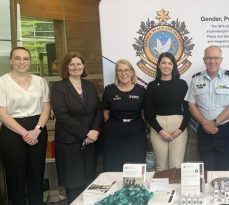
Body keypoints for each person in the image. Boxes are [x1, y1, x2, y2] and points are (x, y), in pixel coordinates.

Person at [0, 47, 50, 205]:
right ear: (11, 60)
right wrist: (25, 133)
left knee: (36, 175)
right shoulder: (2, 82)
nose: (22, 62)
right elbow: (2, 113)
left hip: (38, 129)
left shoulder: (40, 81)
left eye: (26, 58)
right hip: (12, 131)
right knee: (16, 178)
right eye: (17, 58)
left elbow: (46, 108)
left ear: (30, 60)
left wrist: (36, 131)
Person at [51, 51, 102, 203]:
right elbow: (62, 115)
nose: (75, 67)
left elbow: (98, 111)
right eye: (72, 64)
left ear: (83, 66)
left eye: (79, 64)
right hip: (69, 144)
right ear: (67, 67)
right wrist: (86, 133)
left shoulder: (89, 86)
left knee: (89, 182)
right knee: (73, 185)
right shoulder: (58, 88)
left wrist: (95, 130)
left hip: (90, 143)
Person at [185, 45, 229, 171]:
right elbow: (191, 105)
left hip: (225, 131)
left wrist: (215, 122)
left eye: (216, 58)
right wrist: (205, 123)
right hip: (203, 129)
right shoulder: (196, 80)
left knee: (226, 167)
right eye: (209, 58)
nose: (212, 61)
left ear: (221, 60)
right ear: (204, 59)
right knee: (207, 168)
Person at [144, 52, 190, 171]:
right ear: (159, 65)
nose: (166, 66)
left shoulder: (182, 84)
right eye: (163, 63)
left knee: (176, 166)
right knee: (161, 167)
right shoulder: (152, 86)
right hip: (158, 127)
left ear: (174, 66)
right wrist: (160, 131)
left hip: (178, 126)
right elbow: (148, 112)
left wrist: (180, 129)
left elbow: (188, 109)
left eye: (170, 63)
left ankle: (174, 190)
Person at [102, 59, 147, 171]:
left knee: (136, 167)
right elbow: (105, 114)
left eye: (126, 70)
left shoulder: (141, 91)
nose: (123, 73)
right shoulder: (109, 91)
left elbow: (143, 114)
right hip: (114, 134)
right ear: (116, 73)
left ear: (132, 72)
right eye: (120, 70)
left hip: (136, 134)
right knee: (113, 167)